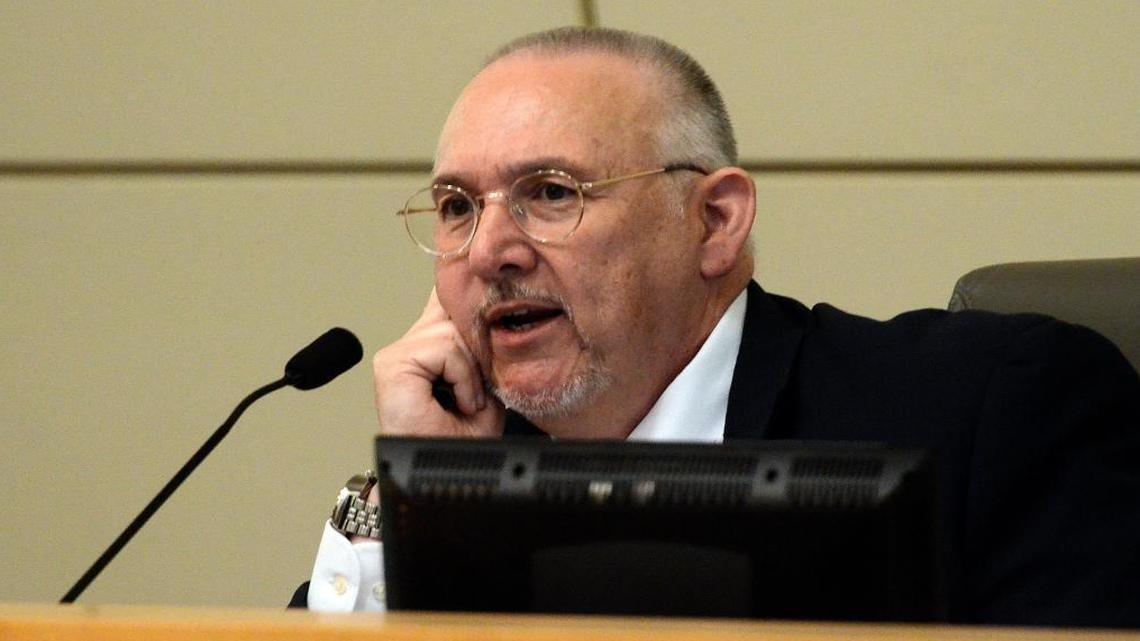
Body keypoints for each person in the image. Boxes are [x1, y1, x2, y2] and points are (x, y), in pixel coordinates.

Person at [291, 27, 1140, 626]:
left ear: (715, 221)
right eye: (455, 206)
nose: (491, 250)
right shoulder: (468, 458)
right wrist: (416, 491)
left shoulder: (992, 407)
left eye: (551, 192)